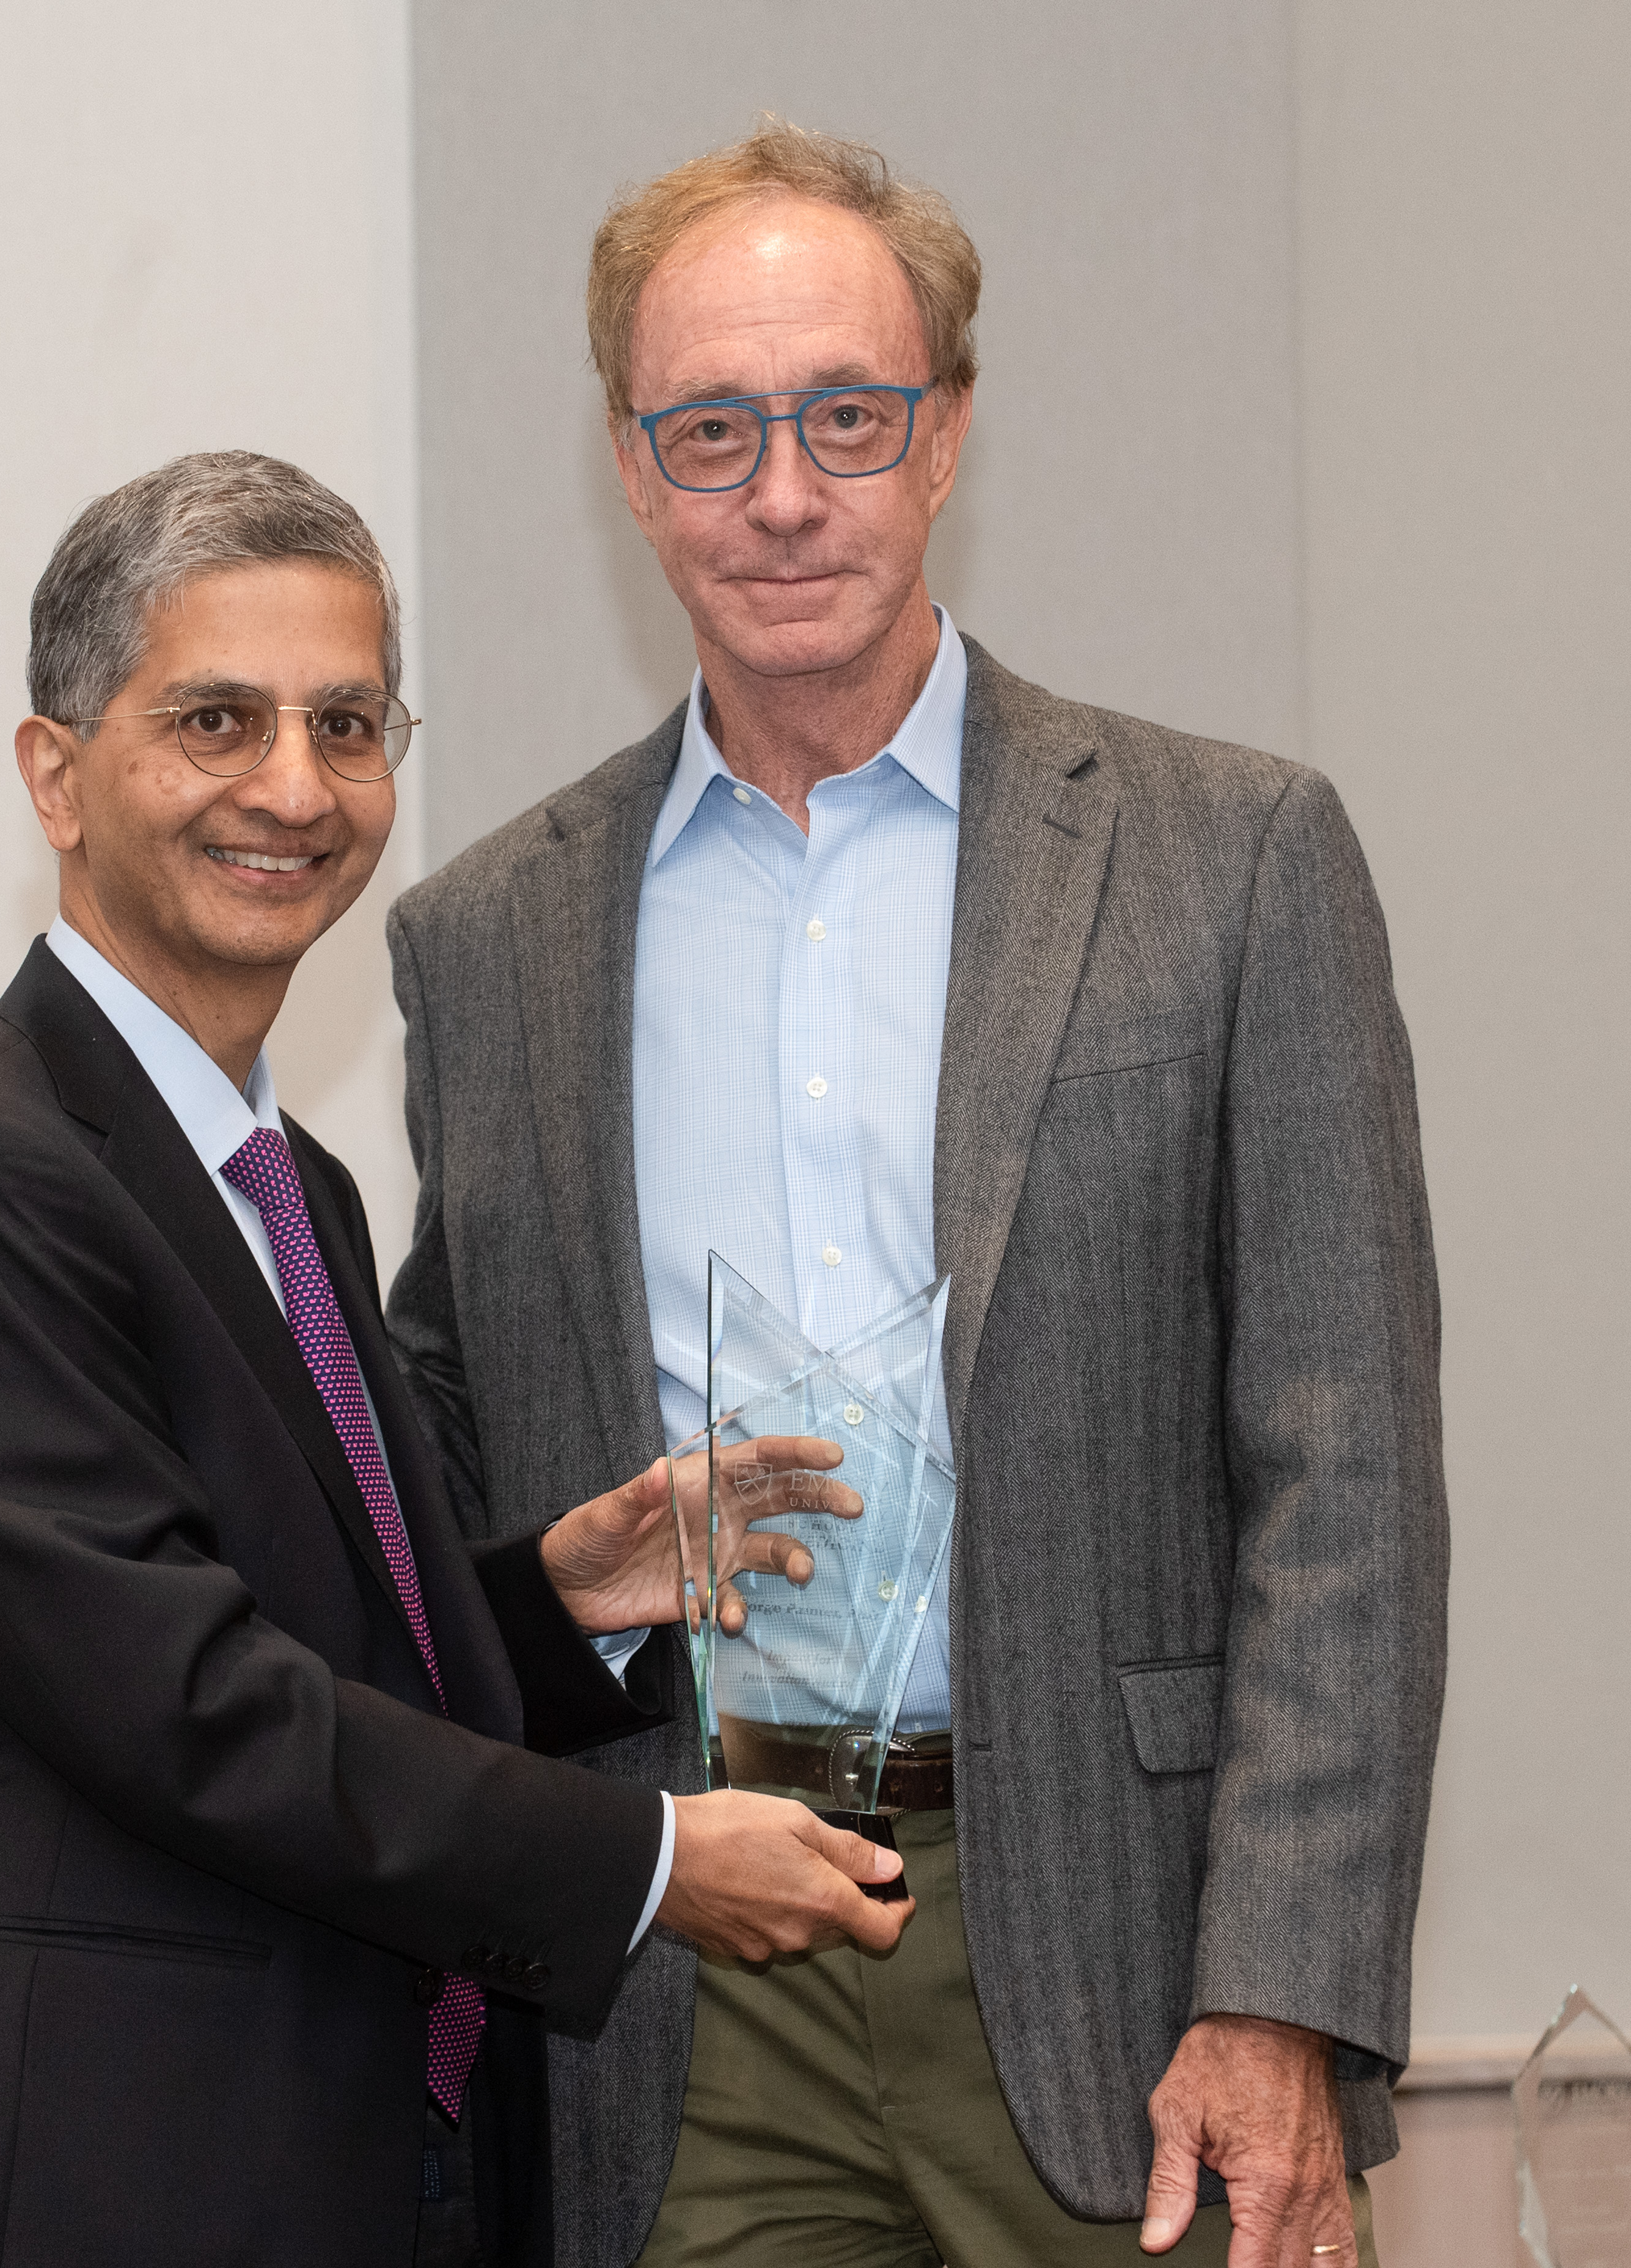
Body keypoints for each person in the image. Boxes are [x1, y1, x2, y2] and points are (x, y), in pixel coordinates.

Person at [382, 123, 1448, 2268]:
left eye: (846, 417)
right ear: (629, 461)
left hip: (1118, 1962)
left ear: (946, 433)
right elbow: (448, 1471)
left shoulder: (1229, 861)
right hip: (678, 1981)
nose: (784, 494)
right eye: (713, 430)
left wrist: (1281, 1996)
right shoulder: (489, 938)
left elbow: (1346, 1484)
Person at [0, 451, 910, 2268]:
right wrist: (644, 1863)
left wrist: (557, 1604)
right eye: (216, 721)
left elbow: (313, 1641)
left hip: (341, 2162)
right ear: (55, 777)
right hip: (87, 2181)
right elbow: (193, 1706)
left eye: (348, 723)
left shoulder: (285, 1180)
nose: (295, 789)